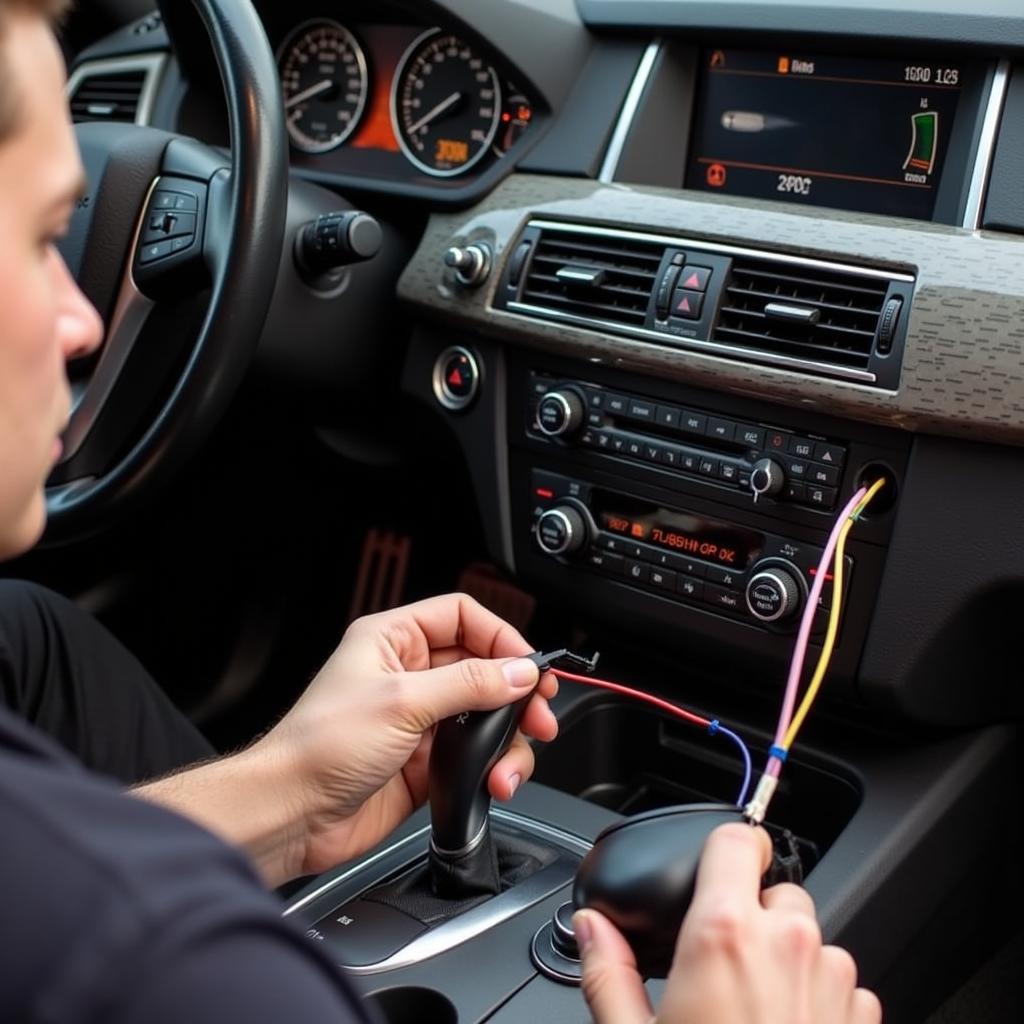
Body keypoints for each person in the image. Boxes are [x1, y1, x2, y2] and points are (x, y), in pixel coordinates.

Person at [0, 1, 881, 1020]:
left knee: (28, 635)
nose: (83, 317)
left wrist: (288, 795)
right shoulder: (182, 974)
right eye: (34, 238)